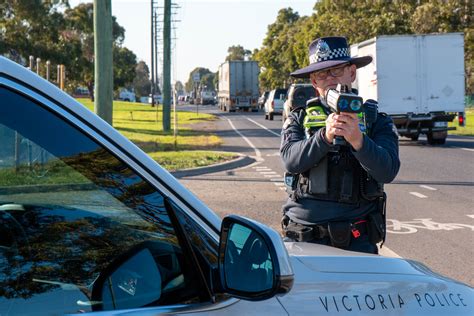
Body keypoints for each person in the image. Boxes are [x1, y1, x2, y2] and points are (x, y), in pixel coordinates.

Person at [280, 36, 400, 254]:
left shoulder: (375, 120)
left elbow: (387, 171)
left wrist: (359, 141)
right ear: (314, 82)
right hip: (304, 237)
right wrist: (324, 137)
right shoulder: (300, 118)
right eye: (322, 74)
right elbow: (290, 160)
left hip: (357, 239)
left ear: (351, 73)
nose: (330, 79)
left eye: (336, 71)